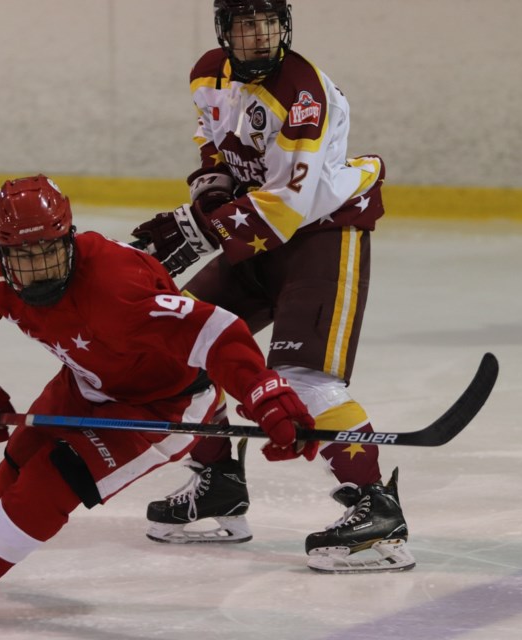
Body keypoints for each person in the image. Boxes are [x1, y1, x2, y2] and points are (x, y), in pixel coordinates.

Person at [0, 174, 319, 618]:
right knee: (19, 458)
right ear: (0, 249)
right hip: (85, 382)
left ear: (67, 238)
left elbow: (217, 332)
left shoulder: (116, 285)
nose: (40, 268)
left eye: (49, 251)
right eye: (24, 255)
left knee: (52, 480)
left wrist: (265, 394)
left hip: (162, 402)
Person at [130, 0, 414, 573]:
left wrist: (198, 227)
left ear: (284, 26)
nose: (256, 34)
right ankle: (218, 484)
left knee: (301, 379)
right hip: (255, 238)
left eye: (266, 22)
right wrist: (211, 194)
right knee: (177, 343)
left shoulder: (302, 94)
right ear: (223, 30)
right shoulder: (209, 72)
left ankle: (376, 511)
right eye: (243, 24)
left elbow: (292, 204)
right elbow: (217, 146)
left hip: (323, 234)